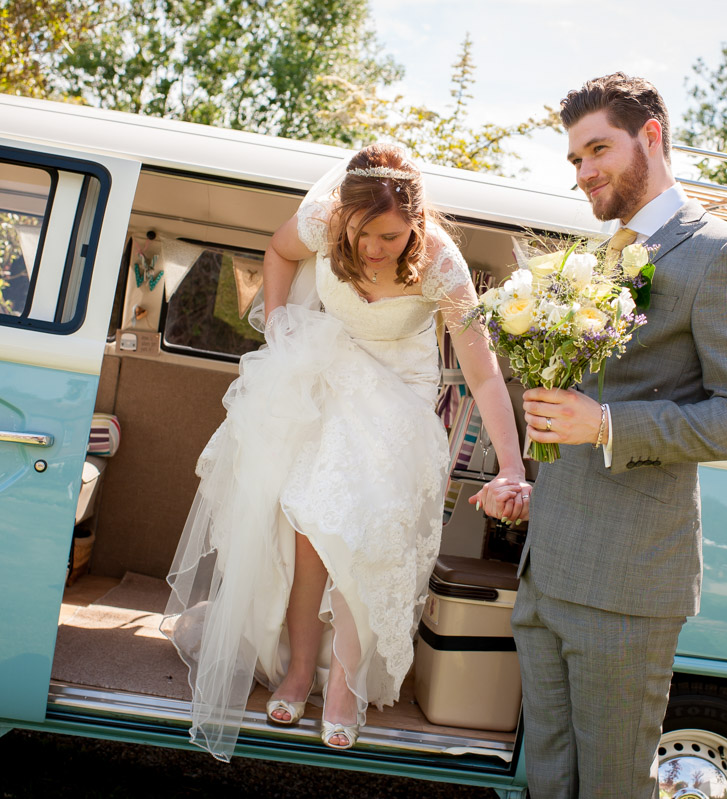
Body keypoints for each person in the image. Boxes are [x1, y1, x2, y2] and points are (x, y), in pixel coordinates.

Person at [163, 143, 529, 760]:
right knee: (311, 534)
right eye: (362, 234)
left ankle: (344, 691)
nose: (373, 250)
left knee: (362, 542)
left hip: (397, 404)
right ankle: (300, 672)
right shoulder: (323, 219)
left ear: (416, 219)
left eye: (389, 235)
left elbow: (484, 373)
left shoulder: (443, 263)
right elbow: (279, 252)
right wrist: (277, 325)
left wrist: (514, 466)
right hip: (327, 383)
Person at [507, 74, 727, 797]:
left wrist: (608, 424)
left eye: (597, 148)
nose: (584, 170)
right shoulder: (593, 259)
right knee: (547, 783)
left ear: (651, 135)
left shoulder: (725, 254)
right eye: (574, 159)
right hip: (548, 570)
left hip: (626, 586)